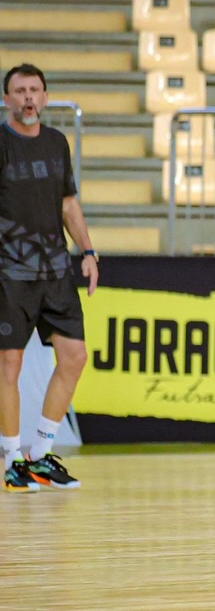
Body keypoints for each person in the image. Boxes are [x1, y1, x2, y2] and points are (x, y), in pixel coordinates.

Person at [0, 64, 99, 492]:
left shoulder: (57, 142)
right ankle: (11, 461)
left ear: (44, 97)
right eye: (19, 90)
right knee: (9, 364)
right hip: (9, 272)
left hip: (55, 271)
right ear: (6, 99)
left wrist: (88, 252)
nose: (28, 97)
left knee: (74, 356)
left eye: (34, 90)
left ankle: (39, 454)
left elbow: (68, 204)